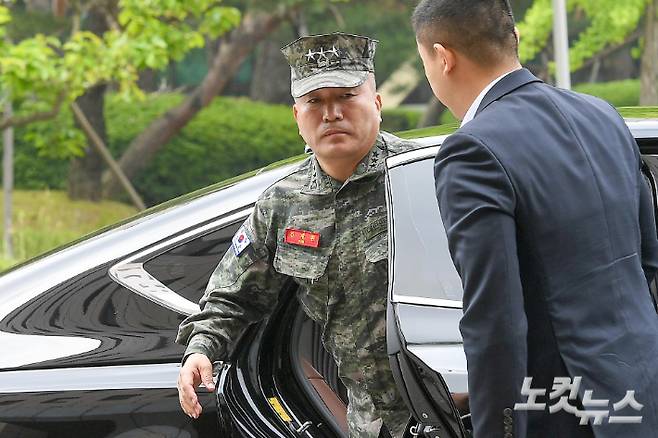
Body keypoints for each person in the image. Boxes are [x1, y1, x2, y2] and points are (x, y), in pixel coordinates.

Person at [412, 1, 658, 438]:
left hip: (568, 415)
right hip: (641, 395)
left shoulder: (472, 151)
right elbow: (647, 263)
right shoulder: (602, 114)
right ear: (516, 38)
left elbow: (495, 323)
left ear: (442, 57)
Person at [175, 32, 418, 438]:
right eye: (315, 102)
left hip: (458, 411)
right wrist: (201, 349)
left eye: (345, 96)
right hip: (370, 424)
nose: (331, 113)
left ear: (376, 103)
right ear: (296, 116)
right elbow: (232, 295)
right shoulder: (283, 205)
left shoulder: (425, 179)